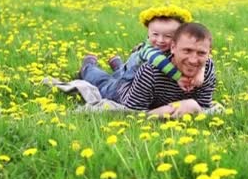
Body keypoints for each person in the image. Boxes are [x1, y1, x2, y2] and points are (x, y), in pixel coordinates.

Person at [80, 22, 216, 116]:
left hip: (139, 80)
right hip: (122, 91)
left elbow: (203, 107)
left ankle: (118, 64)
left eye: (201, 53)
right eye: (187, 50)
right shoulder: (151, 71)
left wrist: (191, 107)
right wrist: (174, 109)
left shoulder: (207, 69)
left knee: (121, 71)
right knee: (103, 82)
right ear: (173, 47)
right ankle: (88, 66)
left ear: (209, 52)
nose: (193, 60)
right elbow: (135, 115)